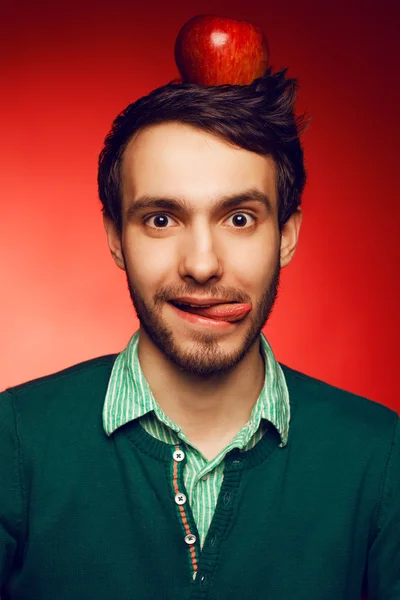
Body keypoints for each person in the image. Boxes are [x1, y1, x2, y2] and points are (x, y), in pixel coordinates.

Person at [0, 67, 399, 600]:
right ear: (115, 238)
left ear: (287, 235)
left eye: (239, 218)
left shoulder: (382, 457)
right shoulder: (14, 441)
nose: (204, 265)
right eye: (162, 219)